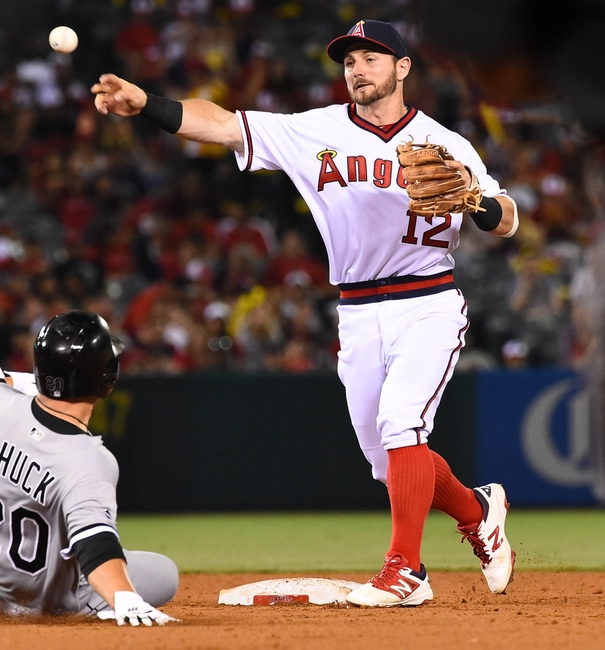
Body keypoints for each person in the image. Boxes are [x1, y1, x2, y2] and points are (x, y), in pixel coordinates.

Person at [92, 19, 517, 607]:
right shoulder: (313, 131)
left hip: (427, 301)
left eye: (372, 58)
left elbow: (508, 218)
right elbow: (221, 124)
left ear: (402, 68)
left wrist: (476, 201)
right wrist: (147, 105)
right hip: (357, 309)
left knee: (402, 425)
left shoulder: (446, 142)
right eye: (350, 60)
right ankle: (478, 511)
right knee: (388, 461)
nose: (358, 69)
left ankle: (405, 572)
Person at [0, 310, 180, 624]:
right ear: (106, 378)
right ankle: (98, 607)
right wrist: (127, 600)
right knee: (166, 573)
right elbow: (96, 545)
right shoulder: (88, 460)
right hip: (52, 606)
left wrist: (13, 383)